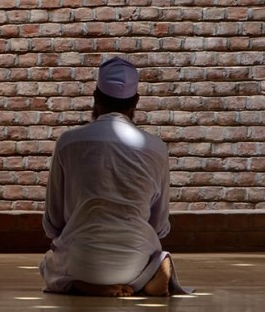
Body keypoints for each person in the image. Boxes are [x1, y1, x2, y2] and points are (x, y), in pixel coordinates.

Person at [40, 56, 186, 298]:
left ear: (96, 98)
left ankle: (85, 284)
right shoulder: (155, 147)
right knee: (153, 255)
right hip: (136, 260)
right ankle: (148, 275)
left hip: (81, 260)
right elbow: (159, 227)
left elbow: (52, 223)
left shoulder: (68, 142)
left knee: (48, 265)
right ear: (136, 102)